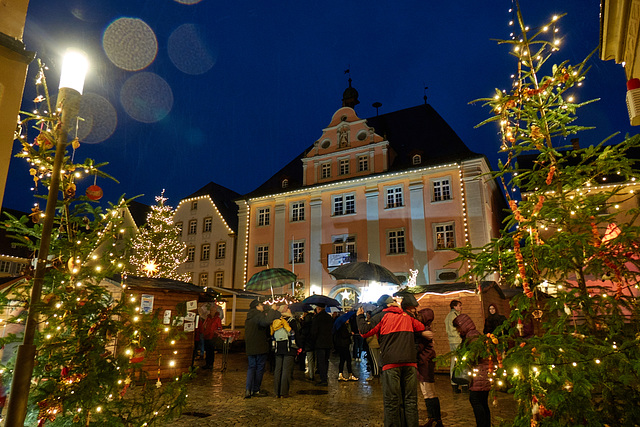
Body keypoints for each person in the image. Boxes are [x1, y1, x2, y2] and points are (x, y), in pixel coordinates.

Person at [357, 295, 432, 427]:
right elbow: (420, 327)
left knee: (392, 401)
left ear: (382, 307)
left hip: (391, 364)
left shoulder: (381, 317)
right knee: (410, 400)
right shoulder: (406, 316)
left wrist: (360, 316)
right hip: (410, 363)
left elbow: (364, 332)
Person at [453, 314, 492, 427]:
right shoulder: (474, 334)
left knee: (475, 400)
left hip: (479, 374)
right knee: (483, 402)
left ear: (462, 326)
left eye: (458, 328)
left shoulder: (472, 336)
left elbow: (475, 354)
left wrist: (464, 359)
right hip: (482, 373)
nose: (458, 331)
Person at [416, 307, 444, 427]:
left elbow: (420, 347)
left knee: (429, 392)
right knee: (428, 392)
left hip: (425, 363)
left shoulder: (424, 331)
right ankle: (433, 418)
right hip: (425, 363)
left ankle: (435, 419)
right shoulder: (424, 330)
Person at [244, 299, 272, 398]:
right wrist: (272, 311)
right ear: (256, 306)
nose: (262, 306)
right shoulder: (259, 315)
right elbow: (266, 322)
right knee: (260, 368)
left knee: (251, 367)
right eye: (261, 305)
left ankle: (248, 389)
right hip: (259, 346)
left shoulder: (249, 317)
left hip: (250, 347)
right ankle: (256, 389)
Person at [271, 307, 298, 398]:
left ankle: (276, 391)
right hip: (288, 348)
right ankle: (283, 392)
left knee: (278, 369)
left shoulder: (276, 321)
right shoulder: (291, 321)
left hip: (278, 347)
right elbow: (296, 333)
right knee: (286, 370)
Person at [310, 304, 333, 386]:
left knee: (321, 362)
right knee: (326, 361)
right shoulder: (329, 317)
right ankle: (325, 377)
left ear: (318, 308)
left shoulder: (317, 318)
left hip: (320, 343)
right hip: (328, 343)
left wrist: (313, 340)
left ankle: (323, 379)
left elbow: (314, 332)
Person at [444, 299, 462, 393]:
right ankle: (462, 383)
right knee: (460, 362)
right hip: (457, 340)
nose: (460, 307)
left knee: (453, 362)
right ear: (454, 307)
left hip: (451, 341)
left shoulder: (448, 316)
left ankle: (454, 383)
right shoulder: (455, 316)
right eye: (459, 305)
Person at [333, 313, 357, 382]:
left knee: (342, 360)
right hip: (344, 345)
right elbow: (344, 335)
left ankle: (340, 374)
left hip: (341, 345)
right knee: (348, 359)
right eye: (347, 319)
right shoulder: (343, 327)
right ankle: (350, 374)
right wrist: (350, 334)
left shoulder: (339, 326)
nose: (348, 320)